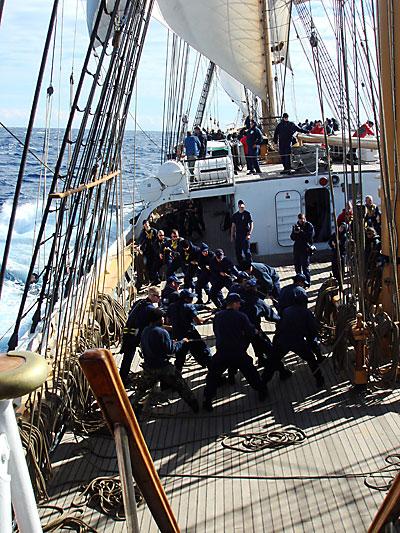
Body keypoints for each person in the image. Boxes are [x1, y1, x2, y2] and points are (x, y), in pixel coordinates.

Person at [203, 293, 268, 411]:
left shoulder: (218, 316)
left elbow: (216, 332)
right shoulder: (241, 316)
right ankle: (262, 391)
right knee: (251, 372)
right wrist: (255, 332)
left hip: (222, 352)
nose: (239, 305)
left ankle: (207, 400)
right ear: (234, 303)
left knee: (213, 376)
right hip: (237, 351)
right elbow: (250, 332)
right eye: (238, 303)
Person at [131, 308, 199, 413]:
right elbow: (171, 350)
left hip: (149, 367)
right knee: (181, 386)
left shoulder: (145, 330)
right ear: (158, 319)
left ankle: (130, 407)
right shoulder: (162, 332)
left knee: (141, 390)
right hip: (163, 367)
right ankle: (194, 405)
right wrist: (181, 342)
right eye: (162, 317)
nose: (164, 319)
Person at [264, 300, 325, 389]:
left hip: (281, 340)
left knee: (272, 362)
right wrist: (312, 344)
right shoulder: (306, 313)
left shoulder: (286, 310)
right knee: (311, 359)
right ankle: (319, 379)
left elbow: (279, 323)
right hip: (297, 341)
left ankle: (263, 384)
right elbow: (312, 331)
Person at [119, 286, 161, 385]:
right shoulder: (150, 309)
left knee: (127, 358)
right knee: (147, 355)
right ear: (151, 295)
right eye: (158, 296)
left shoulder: (139, 302)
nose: (159, 298)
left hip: (128, 333)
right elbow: (157, 316)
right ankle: (147, 376)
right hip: (135, 337)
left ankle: (122, 378)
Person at [167, 289, 212, 373]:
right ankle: (214, 372)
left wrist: (203, 306)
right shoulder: (189, 306)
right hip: (191, 334)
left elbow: (168, 321)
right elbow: (199, 321)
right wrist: (209, 318)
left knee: (180, 357)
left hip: (177, 335)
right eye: (191, 298)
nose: (192, 300)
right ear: (186, 299)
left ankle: (177, 375)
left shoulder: (171, 307)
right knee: (204, 351)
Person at [290, 213, 315, 287]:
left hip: (305, 249)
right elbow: (292, 237)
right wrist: (295, 232)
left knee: (305, 267)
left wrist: (301, 232)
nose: (302, 221)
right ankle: (299, 282)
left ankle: (307, 283)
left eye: (303, 219)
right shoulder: (296, 226)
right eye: (300, 220)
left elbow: (309, 237)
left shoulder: (309, 226)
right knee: (297, 266)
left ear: (305, 218)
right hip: (297, 248)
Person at [138, 219, 158, 284]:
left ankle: (156, 279)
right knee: (148, 265)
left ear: (148, 223)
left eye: (147, 223)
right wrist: (139, 246)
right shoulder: (143, 232)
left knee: (154, 264)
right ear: (143, 225)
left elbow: (158, 238)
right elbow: (141, 241)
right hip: (147, 250)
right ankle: (150, 279)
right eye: (145, 224)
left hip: (154, 250)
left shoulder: (154, 231)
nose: (146, 225)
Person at [328, 223, 348, 288]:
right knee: (334, 268)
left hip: (341, 254)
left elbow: (341, 244)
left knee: (340, 268)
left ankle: (340, 282)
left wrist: (336, 244)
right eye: (340, 227)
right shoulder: (335, 234)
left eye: (342, 227)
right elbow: (330, 242)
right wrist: (333, 244)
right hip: (334, 253)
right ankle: (335, 280)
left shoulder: (344, 236)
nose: (340, 228)